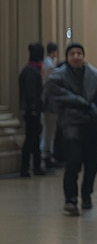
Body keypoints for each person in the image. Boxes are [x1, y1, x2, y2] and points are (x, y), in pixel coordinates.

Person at [45, 42, 97, 215]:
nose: (76, 56)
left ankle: (86, 195)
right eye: (72, 53)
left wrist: (95, 109)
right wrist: (81, 102)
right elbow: (55, 93)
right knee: (74, 162)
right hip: (71, 126)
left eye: (79, 53)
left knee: (92, 165)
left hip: (91, 126)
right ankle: (70, 199)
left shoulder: (94, 75)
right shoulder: (58, 76)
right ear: (67, 56)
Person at [18, 42, 46, 177]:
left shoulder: (30, 70)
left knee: (34, 139)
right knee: (31, 139)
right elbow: (31, 93)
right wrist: (34, 108)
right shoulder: (31, 71)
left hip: (32, 110)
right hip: (32, 111)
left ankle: (36, 166)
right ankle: (26, 168)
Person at [40, 41, 61, 169]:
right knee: (49, 132)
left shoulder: (45, 63)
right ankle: (47, 154)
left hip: (47, 103)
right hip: (50, 104)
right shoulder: (50, 66)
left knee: (47, 131)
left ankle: (47, 153)